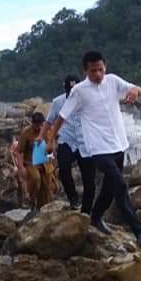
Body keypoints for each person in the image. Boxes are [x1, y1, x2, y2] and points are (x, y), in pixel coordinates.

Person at [50, 51, 141, 249]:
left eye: (100, 69)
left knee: (108, 189)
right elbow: (62, 116)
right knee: (121, 186)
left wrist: (134, 91)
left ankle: (95, 217)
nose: (97, 74)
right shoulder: (79, 91)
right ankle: (139, 231)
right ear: (85, 71)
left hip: (118, 144)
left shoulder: (113, 81)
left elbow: (134, 87)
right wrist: (51, 140)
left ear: (105, 66)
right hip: (97, 148)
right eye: (93, 71)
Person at [43, 75, 97, 212]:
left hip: (84, 141)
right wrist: (45, 140)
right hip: (66, 140)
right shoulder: (58, 102)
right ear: (65, 88)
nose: (72, 93)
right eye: (69, 90)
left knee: (89, 177)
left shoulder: (89, 100)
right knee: (64, 169)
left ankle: (87, 207)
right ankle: (73, 199)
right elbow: (49, 122)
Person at [17, 112, 53, 209]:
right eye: (36, 124)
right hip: (30, 162)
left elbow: (50, 148)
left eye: (40, 124)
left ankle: (44, 205)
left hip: (44, 161)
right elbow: (19, 152)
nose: (38, 126)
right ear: (32, 123)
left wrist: (51, 154)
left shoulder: (45, 131)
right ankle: (31, 199)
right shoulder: (26, 133)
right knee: (36, 178)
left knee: (48, 179)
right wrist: (21, 168)